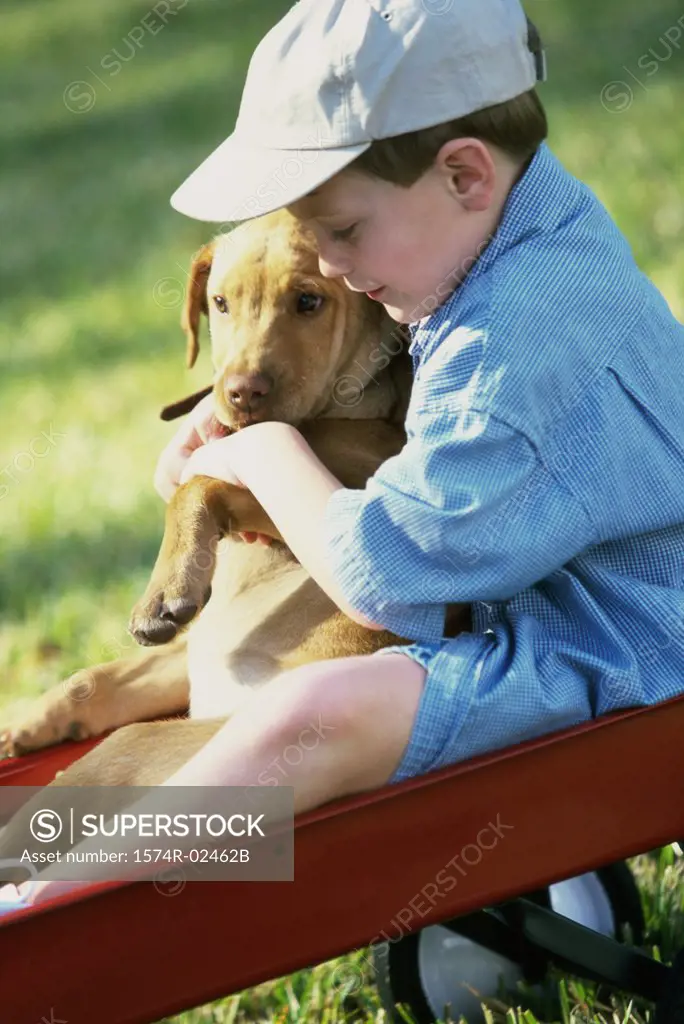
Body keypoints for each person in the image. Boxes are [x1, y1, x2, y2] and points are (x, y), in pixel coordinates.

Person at [4, 0, 684, 908]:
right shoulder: (532, 240)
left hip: (618, 662)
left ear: (465, 174)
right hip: (586, 627)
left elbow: (389, 573)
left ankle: (50, 905)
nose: (323, 262)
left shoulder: (515, 348)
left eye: (343, 230)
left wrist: (263, 453)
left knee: (313, 714)